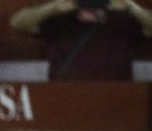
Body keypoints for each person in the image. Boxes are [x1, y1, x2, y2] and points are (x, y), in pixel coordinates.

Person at [9, 0, 152, 81]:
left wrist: (131, 7)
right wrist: (53, 7)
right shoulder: (61, 15)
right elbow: (17, 23)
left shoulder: (122, 16)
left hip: (116, 92)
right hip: (67, 92)